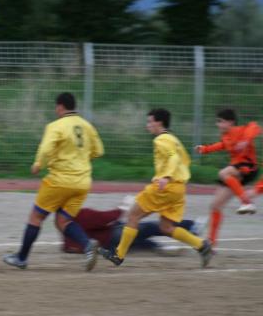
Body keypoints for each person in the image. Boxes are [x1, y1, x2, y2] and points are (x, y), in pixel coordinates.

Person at [3, 92, 104, 271]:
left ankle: (21, 258)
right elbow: (98, 151)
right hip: (83, 182)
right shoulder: (87, 126)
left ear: (60, 106)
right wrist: (80, 158)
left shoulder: (56, 126)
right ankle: (87, 245)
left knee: (36, 217)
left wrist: (38, 164)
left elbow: (45, 149)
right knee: (63, 221)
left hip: (60, 180)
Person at [99, 108, 213, 268]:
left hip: (165, 187)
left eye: (150, 121)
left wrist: (166, 176)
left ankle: (118, 255)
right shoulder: (173, 139)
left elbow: (173, 158)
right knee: (166, 228)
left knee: (133, 216)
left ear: (159, 122)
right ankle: (201, 245)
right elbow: (184, 160)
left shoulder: (161, 140)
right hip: (179, 189)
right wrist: (174, 177)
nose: (148, 125)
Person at [194, 109, 260, 246]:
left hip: (248, 167)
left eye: (220, 121)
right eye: (217, 121)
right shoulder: (226, 137)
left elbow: (254, 127)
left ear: (230, 122)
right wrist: (204, 149)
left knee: (223, 173)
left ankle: (246, 202)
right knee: (215, 206)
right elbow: (221, 145)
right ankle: (211, 243)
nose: (217, 124)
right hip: (236, 170)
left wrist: (246, 141)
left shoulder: (240, 130)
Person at [62, 201, 207, 255]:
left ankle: (160, 249)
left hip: (108, 247)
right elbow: (104, 219)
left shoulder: (65, 226)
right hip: (113, 235)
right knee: (152, 227)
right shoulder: (80, 214)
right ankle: (192, 227)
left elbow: (69, 247)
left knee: (140, 242)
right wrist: (122, 208)